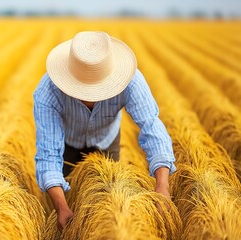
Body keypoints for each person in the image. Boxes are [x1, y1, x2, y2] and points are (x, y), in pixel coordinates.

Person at [33, 31, 176, 230]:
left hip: (106, 141)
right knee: (66, 205)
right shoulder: (48, 91)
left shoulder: (131, 82)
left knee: (108, 197)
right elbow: (48, 155)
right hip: (67, 144)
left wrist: (162, 186)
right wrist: (61, 207)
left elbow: (151, 127)